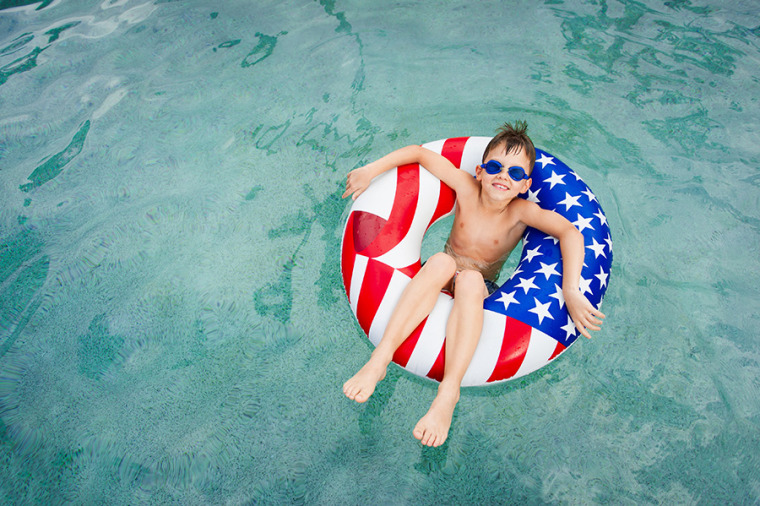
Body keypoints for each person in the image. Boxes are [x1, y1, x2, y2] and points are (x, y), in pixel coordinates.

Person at [341, 122, 605, 447]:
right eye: (495, 167)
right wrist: (371, 170)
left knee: (469, 279)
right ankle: (379, 361)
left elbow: (570, 233)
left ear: (525, 185)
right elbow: (421, 154)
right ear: (480, 171)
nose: (503, 176)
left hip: (480, 288)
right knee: (442, 262)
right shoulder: (466, 188)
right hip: (440, 274)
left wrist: (570, 291)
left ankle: (448, 393)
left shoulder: (520, 212)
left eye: (516, 173)